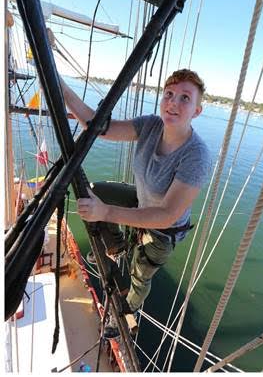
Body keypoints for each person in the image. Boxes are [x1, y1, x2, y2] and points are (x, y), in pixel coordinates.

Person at [59, 69, 212, 338]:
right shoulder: (152, 125)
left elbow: (165, 215)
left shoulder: (196, 156)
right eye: (169, 94)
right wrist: (60, 86)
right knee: (94, 192)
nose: (173, 103)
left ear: (196, 112)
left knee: (139, 276)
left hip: (163, 231)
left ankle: (129, 309)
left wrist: (105, 213)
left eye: (185, 98)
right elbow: (102, 128)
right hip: (141, 201)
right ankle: (116, 244)